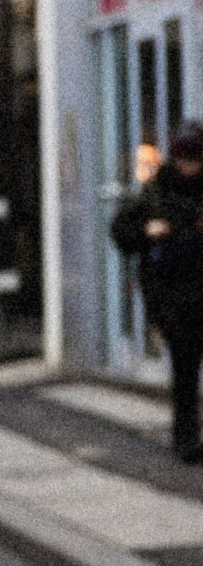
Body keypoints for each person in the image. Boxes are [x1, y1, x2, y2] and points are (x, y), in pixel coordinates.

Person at [111, 122, 203, 464]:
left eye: (195, 158)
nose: (189, 166)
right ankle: (185, 438)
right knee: (185, 371)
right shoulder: (157, 191)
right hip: (175, 295)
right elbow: (121, 230)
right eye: (184, 158)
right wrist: (147, 231)